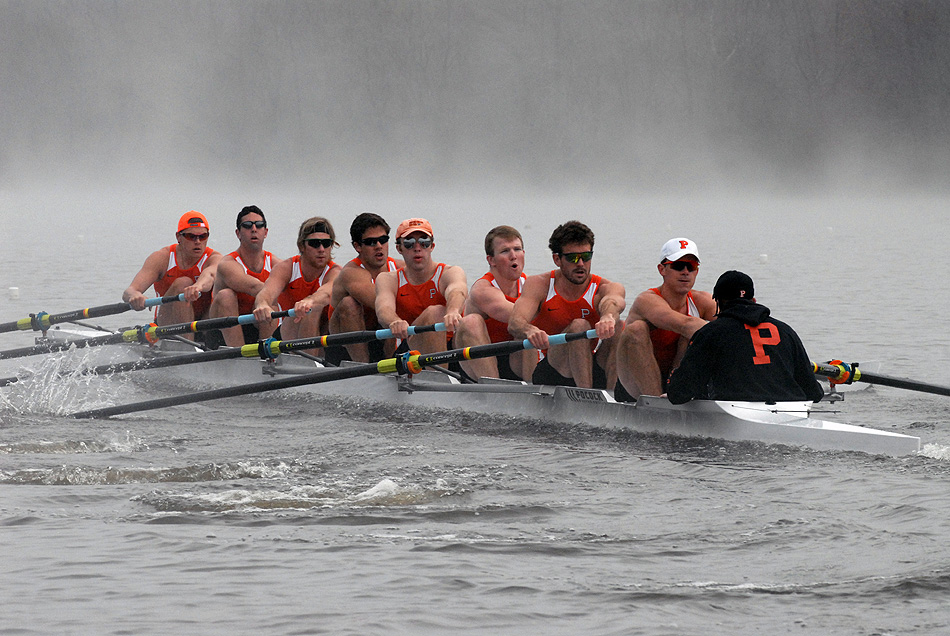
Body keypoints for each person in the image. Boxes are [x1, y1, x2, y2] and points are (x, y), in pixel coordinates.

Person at [666, 270, 824, 404]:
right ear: (753, 300)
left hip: (736, 413)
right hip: (791, 409)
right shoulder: (786, 331)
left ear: (719, 302)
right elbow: (814, 393)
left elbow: (678, 394)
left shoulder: (710, 333)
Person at [508, 220, 625, 389]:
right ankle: (586, 397)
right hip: (552, 370)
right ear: (557, 259)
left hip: (587, 365)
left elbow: (614, 302)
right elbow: (515, 322)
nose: (580, 264)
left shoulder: (605, 287)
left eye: (586, 257)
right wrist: (530, 330)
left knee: (619, 325)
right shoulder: (539, 285)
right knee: (579, 326)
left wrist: (608, 316)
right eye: (573, 258)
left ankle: (614, 397)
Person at [615, 237, 717, 401]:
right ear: (662, 269)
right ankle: (657, 404)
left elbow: (734, 323)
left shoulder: (703, 301)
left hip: (673, 377)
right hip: (634, 382)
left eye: (691, 267)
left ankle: (676, 392)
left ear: (696, 271)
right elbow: (685, 324)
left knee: (695, 333)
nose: (685, 272)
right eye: (678, 266)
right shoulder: (647, 300)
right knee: (637, 329)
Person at [374, 217, 469, 356]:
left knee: (473, 322)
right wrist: (395, 321)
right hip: (411, 349)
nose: (417, 248)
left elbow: (457, 291)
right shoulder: (388, 279)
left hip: (451, 345)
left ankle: (487, 376)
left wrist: (453, 310)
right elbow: (384, 309)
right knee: (434, 313)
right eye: (409, 243)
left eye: (424, 242)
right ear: (399, 248)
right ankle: (438, 376)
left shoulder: (450, 272)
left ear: (432, 246)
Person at [453, 225, 536, 381]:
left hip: (513, 360)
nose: (513, 256)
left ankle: (534, 391)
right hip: (479, 364)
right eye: (505, 251)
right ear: (491, 260)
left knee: (525, 331)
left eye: (517, 249)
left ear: (524, 254)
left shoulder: (532, 285)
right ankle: (495, 390)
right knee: (471, 321)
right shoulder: (482, 289)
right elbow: (517, 315)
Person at [122, 211, 223, 329]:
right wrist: (135, 295)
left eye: (203, 236)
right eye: (191, 236)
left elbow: (210, 274)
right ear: (178, 237)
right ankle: (186, 342)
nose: (198, 242)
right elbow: (128, 292)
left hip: (203, 321)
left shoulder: (215, 258)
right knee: (183, 283)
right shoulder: (162, 258)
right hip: (168, 322)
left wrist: (198, 286)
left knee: (225, 295)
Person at [327, 213, 405, 362]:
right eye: (371, 242)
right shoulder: (351, 273)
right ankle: (362, 368)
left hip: (380, 338)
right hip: (344, 347)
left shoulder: (400, 267)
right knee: (350, 304)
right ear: (357, 246)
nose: (378, 246)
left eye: (383, 240)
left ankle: (394, 367)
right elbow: (380, 304)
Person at [253, 216, 341, 343]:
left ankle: (312, 361)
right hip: (289, 332)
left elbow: (326, 293)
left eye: (326, 244)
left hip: (324, 334)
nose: (321, 249)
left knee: (312, 308)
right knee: (307, 312)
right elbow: (267, 292)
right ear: (302, 246)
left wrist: (308, 301)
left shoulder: (335, 272)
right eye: (315, 244)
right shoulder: (287, 268)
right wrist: (262, 304)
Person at [208, 206, 282, 346]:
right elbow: (253, 286)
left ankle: (267, 354)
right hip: (223, 331)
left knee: (273, 306)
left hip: (255, 327)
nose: (254, 229)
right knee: (226, 296)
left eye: (259, 225)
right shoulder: (228, 264)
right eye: (247, 226)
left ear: (265, 232)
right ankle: (239, 355)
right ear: (238, 233)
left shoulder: (276, 265)